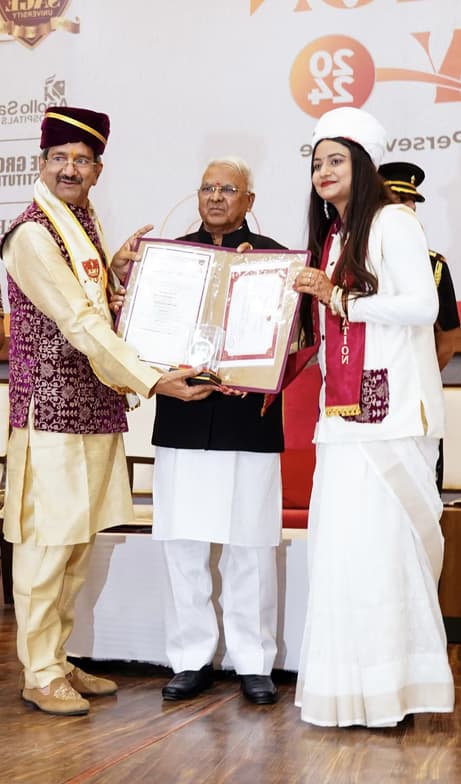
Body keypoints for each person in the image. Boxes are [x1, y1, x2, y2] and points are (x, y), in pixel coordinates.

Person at [0, 105, 212, 717]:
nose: (71, 168)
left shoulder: (80, 221)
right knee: (46, 545)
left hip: (92, 406)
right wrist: (153, 380)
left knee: (75, 547)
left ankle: (57, 658)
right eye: (60, 158)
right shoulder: (34, 233)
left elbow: (95, 303)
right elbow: (78, 321)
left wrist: (116, 276)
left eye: (82, 160)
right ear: (41, 163)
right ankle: (38, 673)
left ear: (97, 170)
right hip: (51, 412)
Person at [293, 107, 454, 727]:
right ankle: (348, 692)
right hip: (341, 419)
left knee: (386, 551)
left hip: (390, 420)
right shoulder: (332, 236)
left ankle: (395, 694)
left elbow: (419, 307)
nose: (323, 172)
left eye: (336, 160)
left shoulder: (393, 220)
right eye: (316, 162)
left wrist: (336, 296)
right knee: (341, 552)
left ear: (362, 165)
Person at [154, 157, 286, 704]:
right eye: (207, 187)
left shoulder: (277, 259)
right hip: (183, 414)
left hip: (247, 419)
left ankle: (254, 664)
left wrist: (260, 376)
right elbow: (148, 330)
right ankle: (190, 660)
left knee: (250, 547)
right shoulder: (171, 258)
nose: (215, 197)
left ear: (248, 200)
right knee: (183, 547)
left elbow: (293, 341)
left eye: (228, 189)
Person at [378, 160, 460, 492]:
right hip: (371, 395)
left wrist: (417, 371)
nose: (408, 208)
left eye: (412, 202)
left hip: (415, 394)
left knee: (421, 487)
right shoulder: (358, 258)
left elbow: (449, 337)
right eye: (399, 201)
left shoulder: (433, 265)